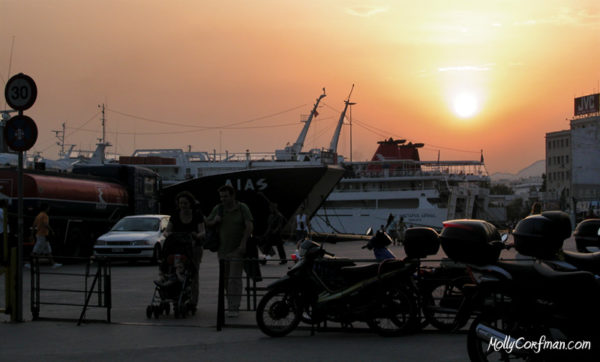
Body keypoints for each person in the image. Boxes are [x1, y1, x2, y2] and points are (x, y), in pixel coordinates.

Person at [205, 184, 253, 318]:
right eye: (221, 196)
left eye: (226, 196)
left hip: (237, 249)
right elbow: (207, 222)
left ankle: (234, 306)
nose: (223, 199)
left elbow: (249, 226)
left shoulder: (242, 208)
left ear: (233, 195)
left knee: (234, 279)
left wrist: (243, 244)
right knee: (226, 279)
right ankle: (230, 301)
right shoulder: (218, 209)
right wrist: (215, 221)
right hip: (222, 250)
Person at [161, 191, 205, 310]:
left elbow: (202, 231)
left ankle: (193, 301)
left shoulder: (197, 214)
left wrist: (196, 235)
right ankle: (174, 296)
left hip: (193, 247)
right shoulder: (175, 214)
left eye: (185, 203)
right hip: (177, 247)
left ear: (190, 203)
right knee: (173, 271)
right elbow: (168, 229)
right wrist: (166, 234)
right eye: (181, 203)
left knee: (193, 273)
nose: (183, 206)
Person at [29, 203, 61, 268]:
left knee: (48, 249)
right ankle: (30, 264)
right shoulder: (45, 215)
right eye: (48, 208)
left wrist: (32, 235)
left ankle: (53, 264)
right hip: (42, 235)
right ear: (46, 208)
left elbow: (34, 225)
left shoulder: (38, 215)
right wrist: (52, 230)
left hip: (40, 235)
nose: (49, 209)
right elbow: (45, 224)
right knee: (36, 250)